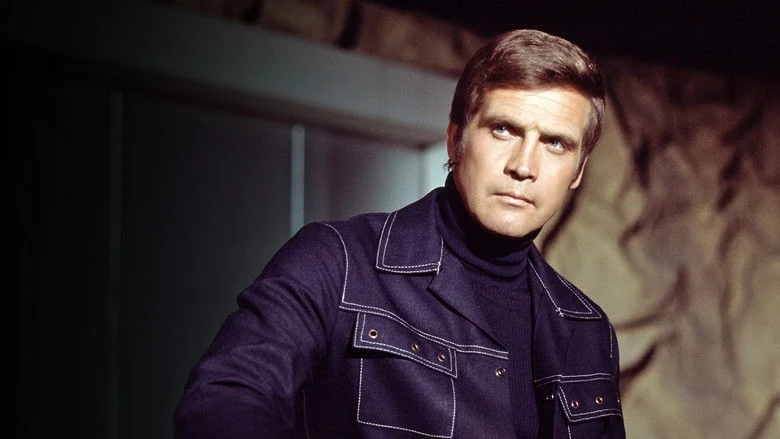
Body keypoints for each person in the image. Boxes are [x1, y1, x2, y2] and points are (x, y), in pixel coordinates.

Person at [175, 29, 625, 438]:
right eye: (503, 129)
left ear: (577, 171)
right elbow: (225, 401)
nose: (524, 166)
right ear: (456, 139)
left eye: (555, 143)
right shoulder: (336, 262)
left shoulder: (587, 328)